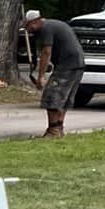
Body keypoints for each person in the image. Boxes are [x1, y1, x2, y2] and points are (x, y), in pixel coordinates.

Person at [23, 8, 85, 138]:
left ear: (35, 21)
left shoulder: (46, 28)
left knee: (52, 95)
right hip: (77, 63)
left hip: (67, 64)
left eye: (28, 26)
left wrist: (41, 76)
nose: (27, 30)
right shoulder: (53, 25)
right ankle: (59, 128)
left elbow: (46, 52)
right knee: (64, 98)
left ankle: (53, 130)